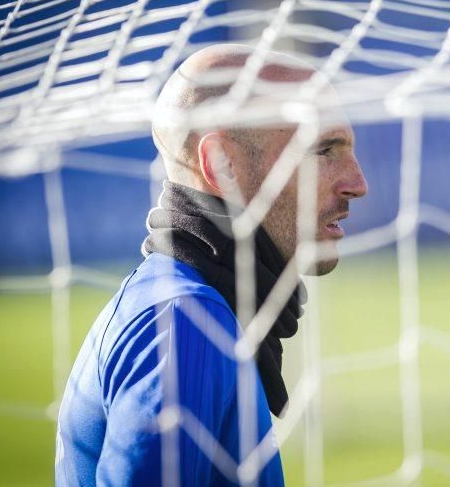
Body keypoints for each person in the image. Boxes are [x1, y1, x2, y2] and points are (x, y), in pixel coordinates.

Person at [55, 44, 368, 486]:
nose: (358, 183)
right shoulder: (187, 323)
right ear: (222, 165)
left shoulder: (186, 302)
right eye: (324, 150)